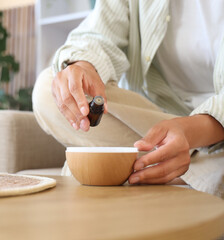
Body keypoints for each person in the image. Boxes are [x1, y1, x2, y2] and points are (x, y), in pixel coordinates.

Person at [32, 0, 224, 197]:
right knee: (50, 86)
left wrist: (188, 133)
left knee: (85, 173)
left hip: (215, 133)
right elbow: (98, 33)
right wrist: (83, 66)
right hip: (151, 122)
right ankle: (187, 167)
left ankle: (172, 166)